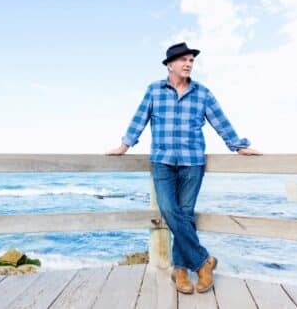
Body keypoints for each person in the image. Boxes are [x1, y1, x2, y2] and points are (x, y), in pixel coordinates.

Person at [106, 42, 262, 294]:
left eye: (191, 60)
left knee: (186, 214)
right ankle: (204, 261)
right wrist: (125, 145)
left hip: (192, 162)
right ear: (170, 65)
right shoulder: (154, 91)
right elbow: (139, 119)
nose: (188, 64)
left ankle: (180, 270)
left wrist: (238, 146)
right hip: (162, 161)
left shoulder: (203, 93)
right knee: (169, 210)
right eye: (183, 60)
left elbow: (220, 121)